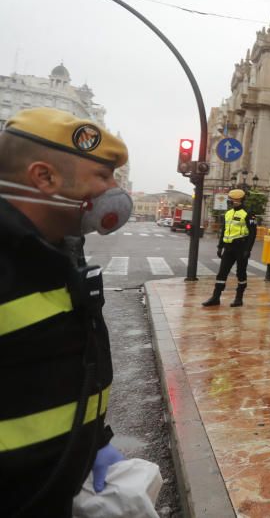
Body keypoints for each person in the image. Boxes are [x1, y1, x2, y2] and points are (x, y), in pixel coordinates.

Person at [0, 107, 131, 516]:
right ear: (45, 178)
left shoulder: (61, 250)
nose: (115, 189)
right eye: (103, 176)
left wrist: (96, 442)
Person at [202, 189, 257, 308]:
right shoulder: (228, 213)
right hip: (229, 247)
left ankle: (239, 298)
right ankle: (215, 297)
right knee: (222, 273)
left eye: (237, 200)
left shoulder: (249, 213)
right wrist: (220, 246)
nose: (234, 202)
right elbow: (224, 230)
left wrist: (248, 249)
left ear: (242, 200)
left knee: (241, 273)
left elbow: (252, 233)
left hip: (241, 247)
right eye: (232, 200)